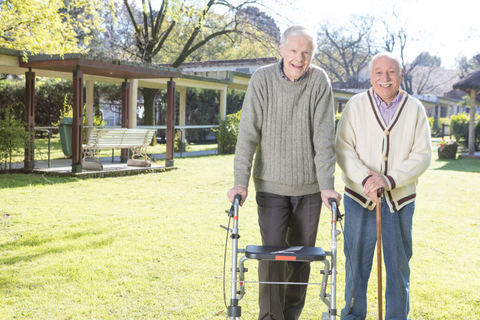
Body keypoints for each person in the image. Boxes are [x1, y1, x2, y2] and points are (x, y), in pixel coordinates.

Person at [226, 25, 341, 320]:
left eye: (306, 52)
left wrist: (326, 185)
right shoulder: (262, 79)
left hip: (310, 189)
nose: (299, 58)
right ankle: (270, 318)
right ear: (281, 49)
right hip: (271, 185)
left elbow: (324, 138)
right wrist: (240, 181)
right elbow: (248, 134)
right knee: (272, 257)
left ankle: (290, 316)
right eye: (293, 50)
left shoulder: (319, 81)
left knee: (301, 259)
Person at [335, 52, 432, 320]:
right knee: (356, 264)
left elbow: (422, 155)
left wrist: (390, 179)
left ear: (401, 75)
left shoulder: (415, 109)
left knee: (398, 265)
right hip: (359, 197)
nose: (385, 78)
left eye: (391, 72)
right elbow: (343, 148)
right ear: (370, 76)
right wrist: (365, 178)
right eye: (378, 72)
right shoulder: (355, 105)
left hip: (399, 200)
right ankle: (353, 316)